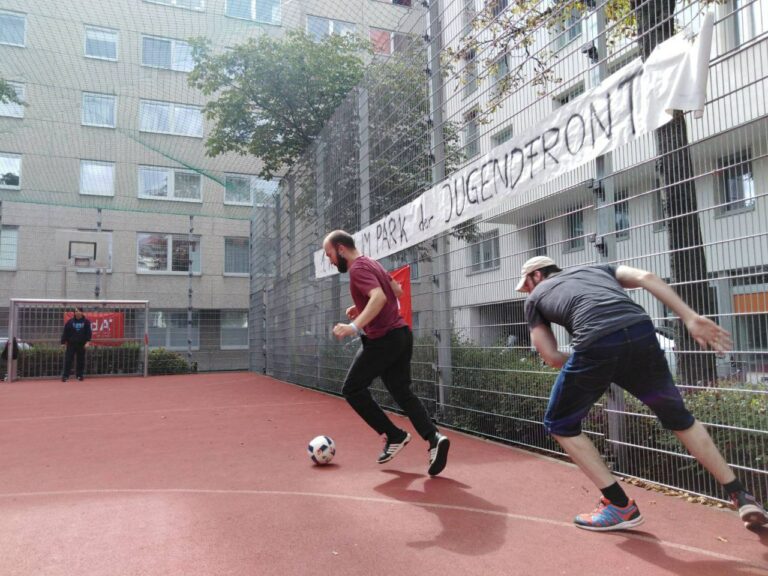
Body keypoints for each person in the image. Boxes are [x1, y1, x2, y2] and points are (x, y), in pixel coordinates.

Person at [516, 255, 768, 531]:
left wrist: (594, 362)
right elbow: (646, 277)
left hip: (595, 341)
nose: (527, 291)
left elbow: (551, 357)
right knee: (678, 418)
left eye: (526, 286)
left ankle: (619, 506)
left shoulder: (535, 298)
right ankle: (740, 494)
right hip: (640, 331)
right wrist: (690, 317)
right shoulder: (597, 269)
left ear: (536, 276)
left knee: (560, 424)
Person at [323, 230, 450, 476]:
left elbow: (379, 297)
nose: (330, 261)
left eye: (329, 255)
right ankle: (434, 437)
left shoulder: (358, 269)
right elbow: (397, 291)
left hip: (383, 340)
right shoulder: (372, 263)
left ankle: (394, 435)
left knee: (352, 389)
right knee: (402, 391)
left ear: (340, 249)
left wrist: (353, 326)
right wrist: (359, 305)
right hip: (402, 335)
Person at [61, 307, 92, 382]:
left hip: (81, 344)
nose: (76, 313)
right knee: (68, 360)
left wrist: (87, 342)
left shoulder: (86, 322)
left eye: (78, 311)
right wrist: (63, 342)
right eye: (75, 311)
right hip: (71, 344)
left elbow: (89, 333)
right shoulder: (70, 322)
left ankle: (79, 375)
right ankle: (65, 376)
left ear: (81, 312)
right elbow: (65, 332)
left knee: (80, 360)